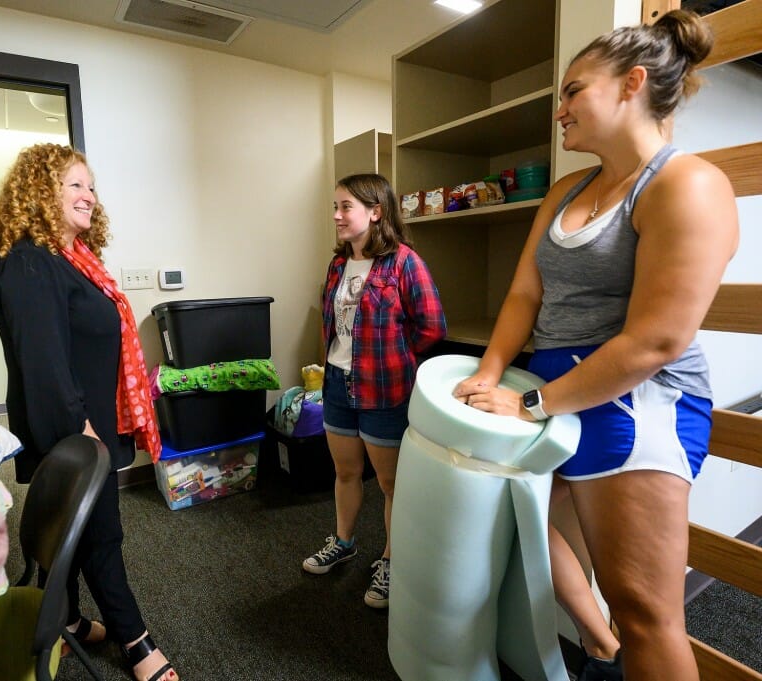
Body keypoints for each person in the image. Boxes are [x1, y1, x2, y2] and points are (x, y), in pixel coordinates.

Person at [452, 10, 738, 681]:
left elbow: (657, 339)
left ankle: (620, 646)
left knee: (646, 611)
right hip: (552, 394)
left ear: (632, 83)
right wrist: (490, 372)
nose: (560, 109)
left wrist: (529, 408)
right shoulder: (564, 190)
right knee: (520, 532)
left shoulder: (686, 185)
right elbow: (526, 295)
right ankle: (604, 652)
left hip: (634, 403)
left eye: (573, 90)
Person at [0, 143, 179, 681]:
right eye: (74, 184)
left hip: (87, 418)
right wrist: (85, 434)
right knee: (99, 534)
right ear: (40, 191)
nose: (88, 195)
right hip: (71, 427)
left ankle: (65, 618)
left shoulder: (72, 261)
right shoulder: (28, 262)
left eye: (91, 186)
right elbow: (44, 365)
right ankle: (135, 642)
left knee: (69, 524)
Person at [302, 173, 446, 608]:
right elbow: (335, 326)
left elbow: (432, 327)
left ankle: (392, 559)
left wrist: (394, 359)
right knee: (345, 472)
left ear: (375, 211)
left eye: (346, 207)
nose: (337, 216)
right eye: (336, 206)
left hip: (384, 388)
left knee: (390, 483)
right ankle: (345, 541)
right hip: (338, 383)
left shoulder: (405, 262)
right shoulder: (337, 264)